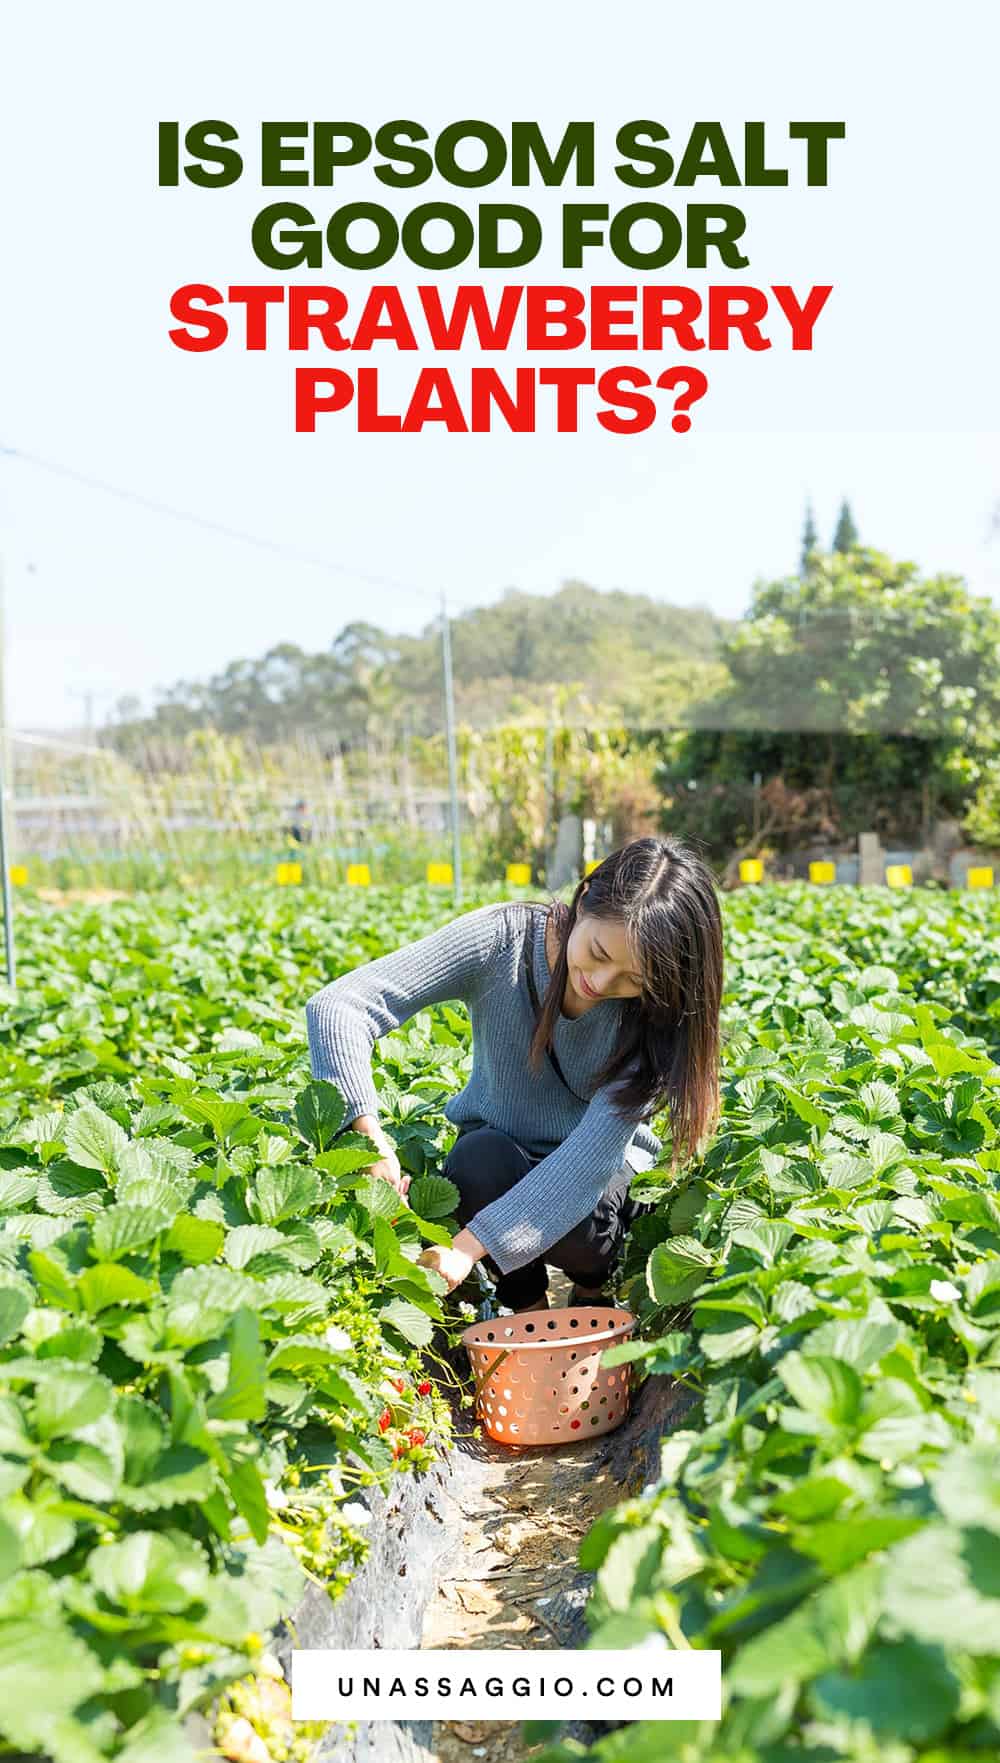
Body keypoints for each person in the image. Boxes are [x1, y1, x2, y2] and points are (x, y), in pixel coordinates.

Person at [305, 837, 724, 1313]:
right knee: (476, 1162)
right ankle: (523, 1305)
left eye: (634, 979)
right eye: (599, 953)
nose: (602, 984)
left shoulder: (656, 1019)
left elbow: (581, 1170)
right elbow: (338, 1006)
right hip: (503, 1155)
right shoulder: (502, 940)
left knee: (582, 1232)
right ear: (584, 897)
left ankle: (595, 1286)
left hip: (597, 1185)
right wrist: (367, 1137)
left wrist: (463, 1250)